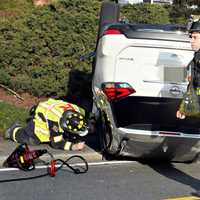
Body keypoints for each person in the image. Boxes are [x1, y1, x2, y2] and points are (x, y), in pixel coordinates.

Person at [4, 98, 92, 151]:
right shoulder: (55, 123)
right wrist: (74, 147)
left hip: (49, 106)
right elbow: (56, 143)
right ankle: (13, 131)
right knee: (32, 140)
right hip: (40, 117)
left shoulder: (76, 109)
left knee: (69, 135)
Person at [176, 19, 200, 119]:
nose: (191, 41)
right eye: (191, 37)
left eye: (195, 38)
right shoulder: (196, 57)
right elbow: (193, 86)